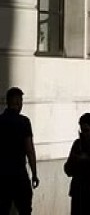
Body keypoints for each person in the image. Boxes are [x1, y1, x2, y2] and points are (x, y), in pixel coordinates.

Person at [0, 87, 39, 215]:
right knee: (25, 209)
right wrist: (34, 173)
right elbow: (30, 150)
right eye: (21, 101)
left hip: (2, 175)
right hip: (18, 174)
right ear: (17, 102)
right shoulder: (24, 122)